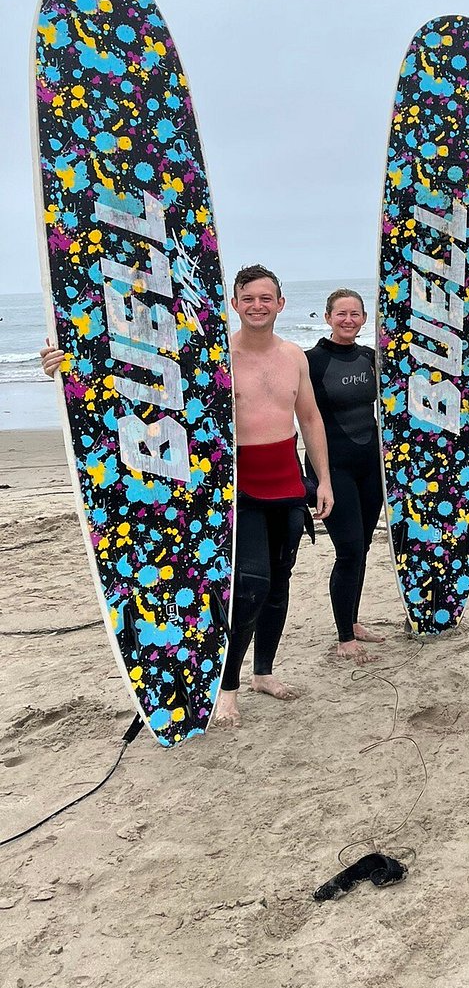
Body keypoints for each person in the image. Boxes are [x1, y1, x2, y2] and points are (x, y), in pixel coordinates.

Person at [40, 263, 334, 727]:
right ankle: (228, 686)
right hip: (238, 491)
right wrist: (66, 362)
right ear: (233, 304)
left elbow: (311, 419)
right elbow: (133, 375)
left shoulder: (294, 356)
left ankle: (264, 672)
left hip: (288, 485)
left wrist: (324, 480)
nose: (257, 306)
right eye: (248, 298)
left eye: (266, 298)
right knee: (250, 588)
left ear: (280, 304)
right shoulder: (211, 356)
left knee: (280, 583)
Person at [305, 288, 386, 661]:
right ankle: (344, 639)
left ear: (364, 318)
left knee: (363, 546)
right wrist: (316, 480)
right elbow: (300, 415)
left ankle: (353, 622)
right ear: (327, 317)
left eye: (355, 314)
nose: (348, 320)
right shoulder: (311, 361)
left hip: (370, 465)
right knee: (349, 549)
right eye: (341, 314)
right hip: (331, 468)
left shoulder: (370, 358)